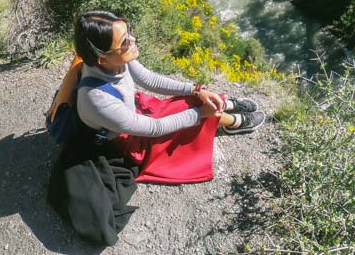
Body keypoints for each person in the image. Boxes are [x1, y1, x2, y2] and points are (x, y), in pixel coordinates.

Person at [72, 10, 265, 184]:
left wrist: (196, 89)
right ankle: (231, 121)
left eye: (129, 32)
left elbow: (150, 80)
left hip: (130, 114)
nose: (133, 39)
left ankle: (223, 105)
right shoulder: (98, 100)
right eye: (124, 41)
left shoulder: (113, 60)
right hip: (126, 139)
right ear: (102, 58)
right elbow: (156, 128)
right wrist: (199, 113)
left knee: (195, 100)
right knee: (194, 112)